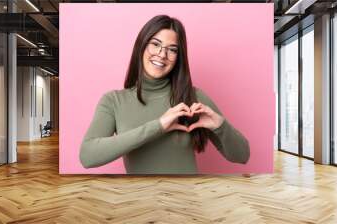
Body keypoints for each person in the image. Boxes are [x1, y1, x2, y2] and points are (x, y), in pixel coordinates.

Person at [79, 15, 250, 174]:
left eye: (172, 49)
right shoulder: (114, 101)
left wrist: (220, 125)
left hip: (187, 202)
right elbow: (88, 156)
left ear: (178, 57)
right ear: (142, 45)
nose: (162, 54)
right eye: (155, 44)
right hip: (138, 203)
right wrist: (158, 126)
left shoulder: (193, 97)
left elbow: (242, 156)